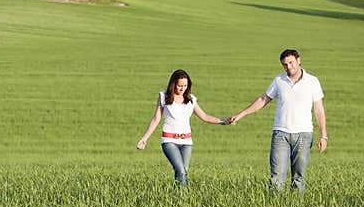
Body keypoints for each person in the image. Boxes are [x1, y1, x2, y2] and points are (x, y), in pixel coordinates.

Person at [229, 49, 328, 192]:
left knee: (299, 176)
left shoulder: (312, 81)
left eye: (291, 63)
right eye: (285, 64)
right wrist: (241, 114)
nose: (289, 67)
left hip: (304, 134)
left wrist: (323, 136)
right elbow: (263, 100)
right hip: (281, 134)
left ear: (299, 60)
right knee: (276, 176)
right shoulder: (279, 80)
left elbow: (319, 110)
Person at [136, 69, 229, 187]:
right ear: (173, 84)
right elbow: (156, 119)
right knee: (181, 171)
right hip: (169, 141)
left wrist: (223, 121)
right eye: (180, 86)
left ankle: (176, 198)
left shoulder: (191, 100)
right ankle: (187, 197)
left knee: (182, 173)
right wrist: (144, 139)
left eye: (185, 85)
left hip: (186, 142)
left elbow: (204, 116)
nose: (182, 88)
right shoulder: (164, 97)